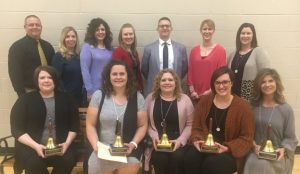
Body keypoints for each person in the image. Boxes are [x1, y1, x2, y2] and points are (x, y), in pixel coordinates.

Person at [184, 66, 254, 174]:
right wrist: (197, 141)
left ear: (232, 83)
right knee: (190, 158)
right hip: (205, 146)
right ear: (213, 84)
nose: (221, 86)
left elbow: (247, 138)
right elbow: (196, 127)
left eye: (225, 82)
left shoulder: (243, 107)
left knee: (211, 164)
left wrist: (227, 147)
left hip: (228, 151)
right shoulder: (204, 101)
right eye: (217, 82)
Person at [10, 66, 80, 174]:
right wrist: (36, 146)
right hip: (32, 148)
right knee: (34, 165)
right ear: (36, 81)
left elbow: (74, 126)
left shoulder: (67, 99)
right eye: (42, 78)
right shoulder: (24, 100)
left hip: (61, 147)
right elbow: (17, 129)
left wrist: (66, 144)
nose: (46, 80)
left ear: (55, 80)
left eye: (50, 77)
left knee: (67, 161)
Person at [86, 60, 147, 174]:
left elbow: (142, 125)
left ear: (128, 76)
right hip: (101, 150)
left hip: (127, 151)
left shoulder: (138, 97)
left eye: (122, 74)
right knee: (94, 163)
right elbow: (90, 125)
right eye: (114, 74)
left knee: (133, 162)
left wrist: (133, 144)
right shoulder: (99, 95)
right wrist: (96, 146)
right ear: (108, 76)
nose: (118, 77)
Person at [243, 68, 298, 174]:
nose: (267, 84)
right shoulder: (252, 107)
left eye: (270, 81)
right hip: (256, 150)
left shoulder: (286, 109)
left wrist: (283, 149)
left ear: (276, 82)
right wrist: (254, 146)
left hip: (277, 153)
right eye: (263, 82)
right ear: (258, 85)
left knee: (264, 165)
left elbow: (291, 138)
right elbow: (246, 133)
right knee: (254, 162)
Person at [144, 69, 194, 174]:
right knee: (159, 158)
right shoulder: (150, 99)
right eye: (163, 80)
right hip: (157, 143)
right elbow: (146, 123)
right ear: (159, 83)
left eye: (170, 80)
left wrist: (180, 141)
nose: (167, 82)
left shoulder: (185, 99)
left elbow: (190, 125)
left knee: (177, 157)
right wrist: (154, 136)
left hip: (178, 142)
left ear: (175, 83)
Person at [8, 15, 55, 97]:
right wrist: (21, 94)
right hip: (28, 91)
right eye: (31, 25)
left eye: (37, 25)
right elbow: (14, 73)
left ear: (41, 27)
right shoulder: (17, 47)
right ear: (25, 27)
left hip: (48, 90)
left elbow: (53, 69)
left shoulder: (48, 46)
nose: (35, 27)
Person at [142, 17, 188, 96]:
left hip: (174, 90)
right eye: (162, 26)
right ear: (157, 29)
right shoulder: (148, 48)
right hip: (154, 90)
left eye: (167, 26)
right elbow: (144, 70)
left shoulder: (181, 48)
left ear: (171, 29)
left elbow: (184, 69)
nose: (165, 28)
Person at [227, 23, 270, 102]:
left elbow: (266, 76)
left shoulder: (259, 52)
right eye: (243, 33)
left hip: (249, 98)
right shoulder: (232, 54)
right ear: (239, 35)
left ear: (253, 35)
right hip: (232, 96)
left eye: (248, 33)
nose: (245, 36)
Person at [188, 19, 226, 100]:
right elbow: (190, 71)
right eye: (204, 29)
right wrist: (192, 91)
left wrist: (210, 91)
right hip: (195, 95)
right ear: (201, 31)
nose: (207, 31)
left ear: (214, 31)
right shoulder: (194, 50)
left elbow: (221, 74)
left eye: (210, 29)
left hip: (213, 93)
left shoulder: (220, 50)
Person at [80, 18, 113, 101]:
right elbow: (85, 70)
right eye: (97, 30)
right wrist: (90, 91)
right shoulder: (87, 47)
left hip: (108, 89)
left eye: (102, 29)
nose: (100, 32)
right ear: (92, 32)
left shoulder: (110, 48)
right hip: (93, 90)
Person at [52, 26, 83, 106]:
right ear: (63, 39)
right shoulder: (58, 56)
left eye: (73, 36)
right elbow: (56, 79)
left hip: (80, 96)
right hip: (65, 97)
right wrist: (65, 95)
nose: (71, 39)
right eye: (67, 37)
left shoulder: (79, 55)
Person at [112, 23, 143, 92]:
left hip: (135, 88)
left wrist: (140, 87)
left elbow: (138, 72)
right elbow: (116, 74)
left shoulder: (134, 52)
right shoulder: (118, 52)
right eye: (125, 34)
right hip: (124, 90)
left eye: (131, 34)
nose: (128, 36)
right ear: (121, 37)